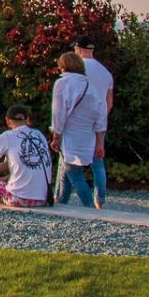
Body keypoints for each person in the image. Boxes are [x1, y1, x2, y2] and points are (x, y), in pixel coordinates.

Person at [50, 52, 107, 209]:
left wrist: (56, 136)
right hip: (88, 135)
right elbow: (100, 115)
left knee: (73, 174)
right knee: (67, 172)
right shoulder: (90, 85)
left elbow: (58, 113)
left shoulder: (62, 84)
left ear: (64, 66)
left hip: (71, 134)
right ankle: (61, 203)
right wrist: (100, 142)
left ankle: (89, 206)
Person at [74, 34, 114, 208]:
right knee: (98, 161)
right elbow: (109, 101)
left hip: (80, 120)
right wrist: (102, 117)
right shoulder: (105, 72)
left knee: (71, 162)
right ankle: (100, 199)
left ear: (79, 49)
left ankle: (65, 198)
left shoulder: (77, 69)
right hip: (99, 121)